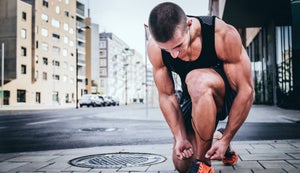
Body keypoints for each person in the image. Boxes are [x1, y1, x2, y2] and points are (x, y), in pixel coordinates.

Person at [146, 2, 254, 173]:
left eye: (177, 46)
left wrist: (227, 137)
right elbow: (167, 95)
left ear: (188, 25)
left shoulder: (221, 34)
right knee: (182, 164)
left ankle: (203, 164)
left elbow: (246, 90)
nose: (173, 54)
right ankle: (214, 137)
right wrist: (180, 137)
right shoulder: (154, 48)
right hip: (194, 97)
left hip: (224, 95)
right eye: (166, 49)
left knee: (196, 79)